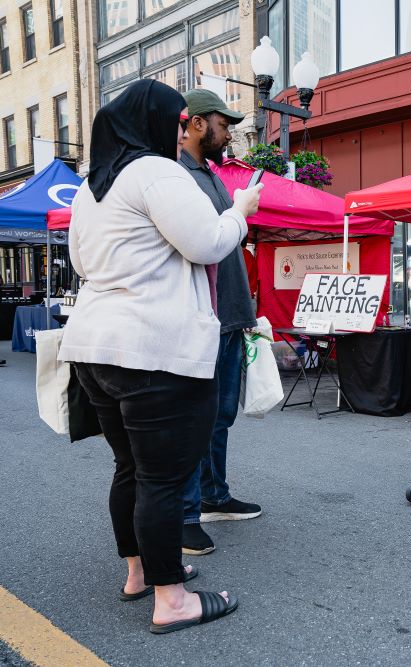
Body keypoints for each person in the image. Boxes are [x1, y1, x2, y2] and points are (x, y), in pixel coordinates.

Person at [58, 79, 262, 634]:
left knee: (131, 468)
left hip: (95, 350)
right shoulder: (155, 172)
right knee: (163, 477)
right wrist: (240, 210)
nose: (182, 131)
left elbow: (83, 264)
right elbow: (206, 243)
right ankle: (171, 599)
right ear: (150, 123)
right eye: (177, 121)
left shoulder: (90, 188)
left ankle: (139, 572)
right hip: (153, 350)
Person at [178, 89, 262, 557]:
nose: (228, 131)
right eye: (222, 123)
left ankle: (214, 496)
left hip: (229, 315)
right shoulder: (177, 176)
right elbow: (202, 242)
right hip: (203, 318)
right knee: (197, 418)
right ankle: (188, 513)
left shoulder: (210, 174)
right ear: (195, 124)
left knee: (220, 416)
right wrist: (239, 212)